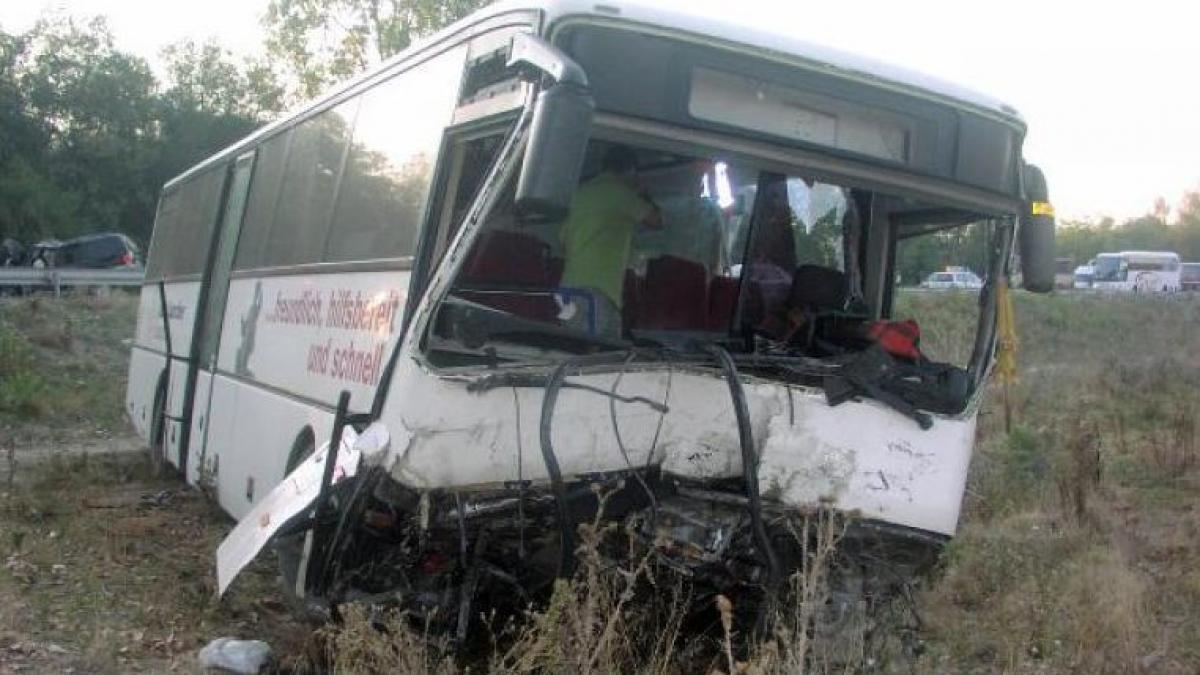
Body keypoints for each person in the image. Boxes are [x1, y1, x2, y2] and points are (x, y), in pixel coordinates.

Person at [558, 145, 662, 339]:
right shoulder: (622, 193)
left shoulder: (580, 194)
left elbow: (563, 240)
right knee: (592, 357)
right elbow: (656, 221)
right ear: (631, 170)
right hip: (596, 291)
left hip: (571, 290)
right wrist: (643, 193)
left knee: (592, 353)